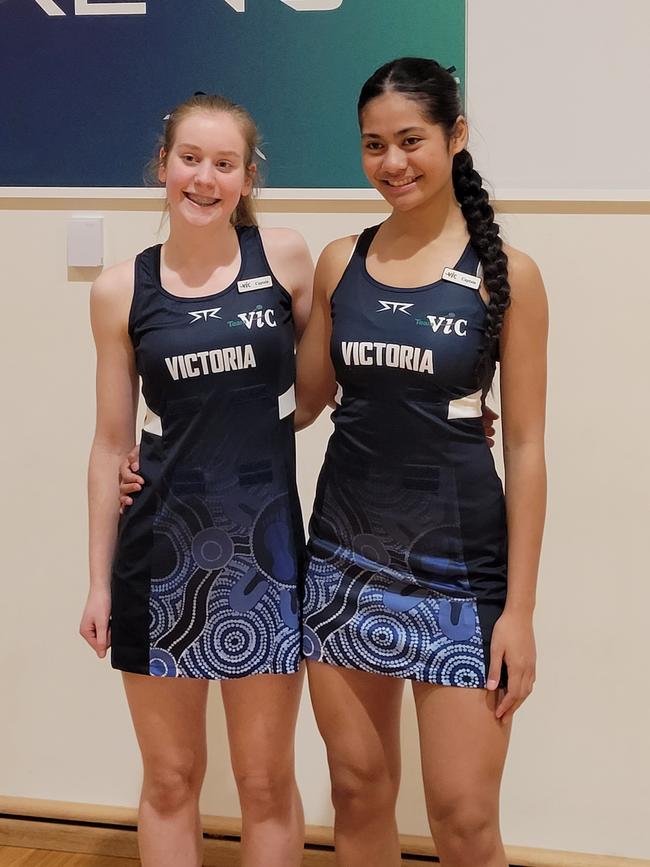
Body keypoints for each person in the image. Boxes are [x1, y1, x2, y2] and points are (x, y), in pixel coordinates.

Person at [295, 58, 547, 867]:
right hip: (343, 560)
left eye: (411, 140)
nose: (392, 163)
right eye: (374, 145)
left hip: (463, 575)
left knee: (464, 819)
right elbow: (297, 404)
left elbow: (530, 449)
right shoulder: (341, 261)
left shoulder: (509, 276)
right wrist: (157, 442)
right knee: (360, 791)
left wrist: (519, 612)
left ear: (455, 136)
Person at [79, 93, 314, 867]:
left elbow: (324, 385)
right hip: (160, 561)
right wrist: (98, 583)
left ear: (249, 176)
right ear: (162, 164)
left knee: (266, 782)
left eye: (224, 163)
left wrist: (451, 412)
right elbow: (112, 441)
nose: (204, 178)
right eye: (190, 159)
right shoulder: (120, 289)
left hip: (268, 562)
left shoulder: (285, 258)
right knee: (173, 778)